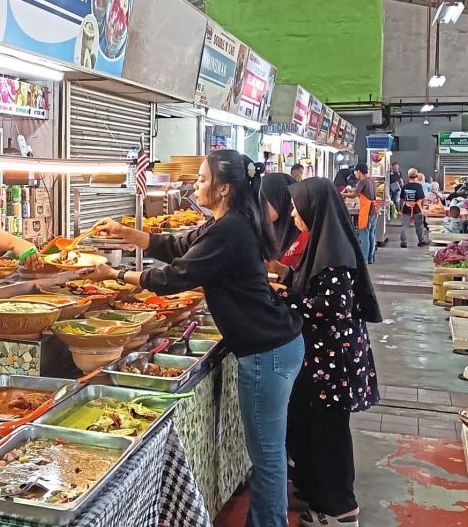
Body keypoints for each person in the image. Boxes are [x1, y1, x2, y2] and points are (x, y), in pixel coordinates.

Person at [83, 151, 303, 527]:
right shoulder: (230, 220)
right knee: (268, 452)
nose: (196, 186)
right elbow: (176, 245)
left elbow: (174, 277)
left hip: (267, 351)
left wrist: (114, 276)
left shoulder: (230, 229)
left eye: (202, 180)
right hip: (276, 344)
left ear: (224, 188)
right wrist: (127, 234)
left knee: (266, 456)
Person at [284, 177, 382, 527]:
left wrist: (284, 299)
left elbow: (329, 308)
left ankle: (341, 510)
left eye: (297, 208)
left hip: (333, 364)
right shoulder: (324, 244)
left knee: (328, 435)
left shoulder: (334, 256)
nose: (293, 215)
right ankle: (324, 503)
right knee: (318, 432)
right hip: (324, 361)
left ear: (314, 209)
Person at [262, 172, 307, 267]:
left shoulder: (306, 234)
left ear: (281, 197)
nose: (260, 207)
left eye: (264, 201)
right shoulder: (263, 231)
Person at [347, 163, 378, 264]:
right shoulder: (371, 181)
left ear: (359, 171)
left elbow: (355, 194)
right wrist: (349, 189)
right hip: (374, 211)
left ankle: (363, 259)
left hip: (367, 211)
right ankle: (370, 258)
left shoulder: (362, 181)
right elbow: (361, 192)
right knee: (371, 234)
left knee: (364, 235)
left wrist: (342, 194)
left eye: (356, 172)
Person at [399, 169, 428, 247]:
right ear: (417, 176)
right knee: (419, 226)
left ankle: (403, 242)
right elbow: (422, 198)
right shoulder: (419, 186)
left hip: (406, 208)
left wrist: (400, 210)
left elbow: (401, 199)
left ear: (408, 176)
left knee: (404, 226)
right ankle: (421, 241)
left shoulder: (405, 186)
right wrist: (421, 208)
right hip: (416, 208)